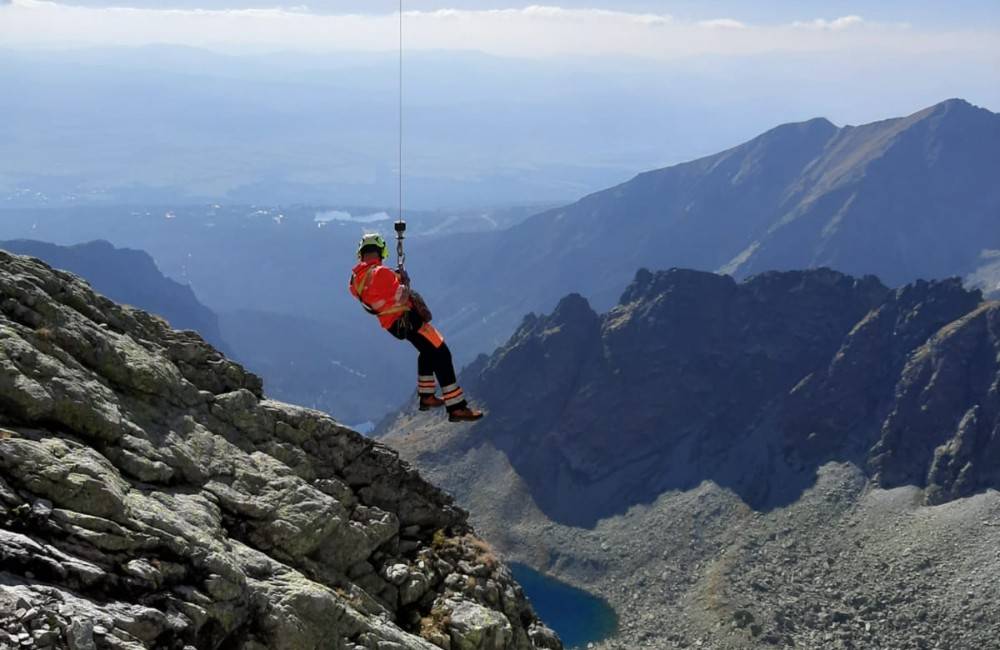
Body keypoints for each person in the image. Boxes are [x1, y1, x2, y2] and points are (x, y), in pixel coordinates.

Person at [349, 233, 484, 422]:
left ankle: (427, 396)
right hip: (407, 319)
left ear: (361, 254)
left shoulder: (356, 280)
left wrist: (394, 277)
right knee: (441, 352)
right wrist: (404, 280)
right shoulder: (382, 273)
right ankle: (457, 407)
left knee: (428, 352)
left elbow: (378, 291)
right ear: (381, 252)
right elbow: (401, 296)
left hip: (392, 325)